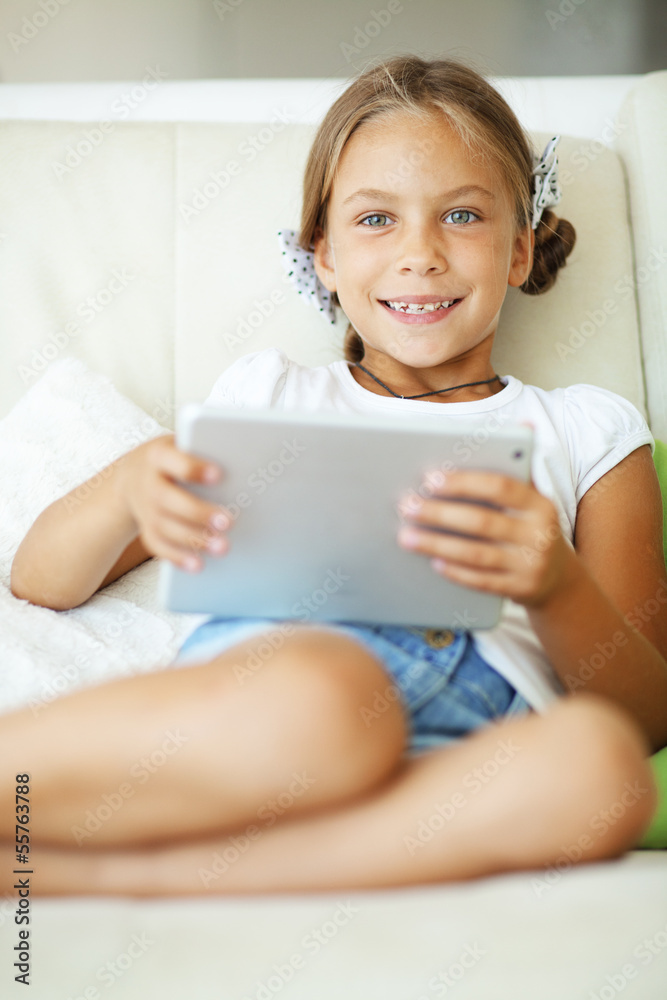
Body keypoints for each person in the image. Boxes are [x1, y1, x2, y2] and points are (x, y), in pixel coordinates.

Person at [4, 55, 665, 898]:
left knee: (601, 770)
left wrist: (556, 585)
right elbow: (43, 581)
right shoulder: (268, 397)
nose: (419, 254)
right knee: (330, 697)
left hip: (451, 766)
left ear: (517, 248)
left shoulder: (586, 429)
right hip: (276, 709)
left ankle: (115, 875)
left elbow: (645, 719)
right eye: (375, 219)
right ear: (321, 254)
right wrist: (134, 486)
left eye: (461, 215)